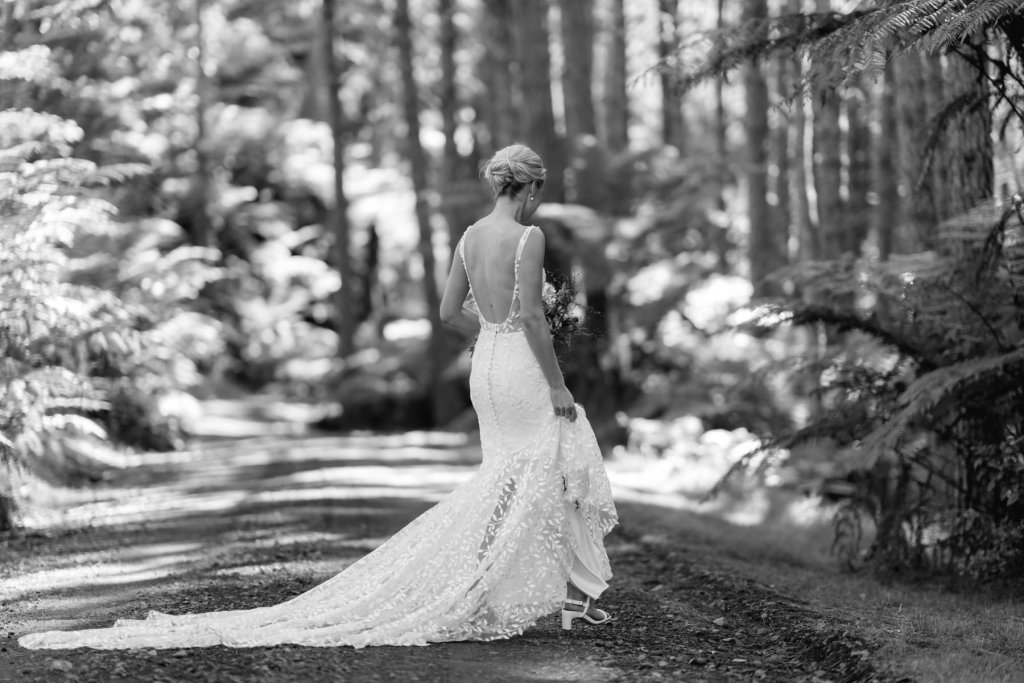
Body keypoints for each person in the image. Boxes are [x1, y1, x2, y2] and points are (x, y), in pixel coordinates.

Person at [18, 144, 617, 651]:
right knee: (556, 461)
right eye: (538, 189)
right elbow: (535, 321)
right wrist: (556, 381)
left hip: (485, 366)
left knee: (508, 474)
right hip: (518, 365)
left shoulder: (468, 237)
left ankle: (506, 590)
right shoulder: (527, 235)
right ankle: (570, 597)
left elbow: (445, 313)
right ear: (531, 187)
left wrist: (490, 333)